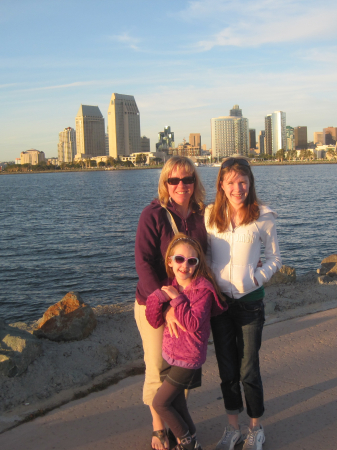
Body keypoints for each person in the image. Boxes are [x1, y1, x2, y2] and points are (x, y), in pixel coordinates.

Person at [205, 158, 281, 450]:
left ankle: (255, 428)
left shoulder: (263, 215)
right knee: (227, 370)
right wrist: (214, 280)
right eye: (231, 182)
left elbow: (276, 258)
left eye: (242, 181)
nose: (237, 188)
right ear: (221, 185)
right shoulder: (211, 215)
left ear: (250, 182)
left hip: (250, 304)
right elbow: (209, 256)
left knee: (248, 369)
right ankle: (232, 428)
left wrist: (255, 278)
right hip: (220, 304)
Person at [134, 156, 207, 450]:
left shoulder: (202, 215)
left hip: (188, 307)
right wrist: (166, 306)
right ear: (165, 183)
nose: (181, 185)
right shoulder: (152, 215)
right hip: (154, 305)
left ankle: (180, 429)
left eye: (187, 179)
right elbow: (143, 263)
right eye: (174, 180)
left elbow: (210, 259)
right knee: (157, 368)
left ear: (194, 183)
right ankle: (158, 428)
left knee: (182, 369)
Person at [146, 233, 227, 450]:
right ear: (170, 261)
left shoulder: (203, 291)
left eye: (192, 261)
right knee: (177, 403)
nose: (185, 266)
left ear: (198, 264)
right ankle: (192, 435)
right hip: (170, 354)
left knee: (160, 403)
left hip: (188, 358)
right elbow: (153, 320)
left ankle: (186, 441)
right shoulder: (171, 286)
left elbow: (192, 323)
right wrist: (159, 299)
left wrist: (177, 299)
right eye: (180, 259)